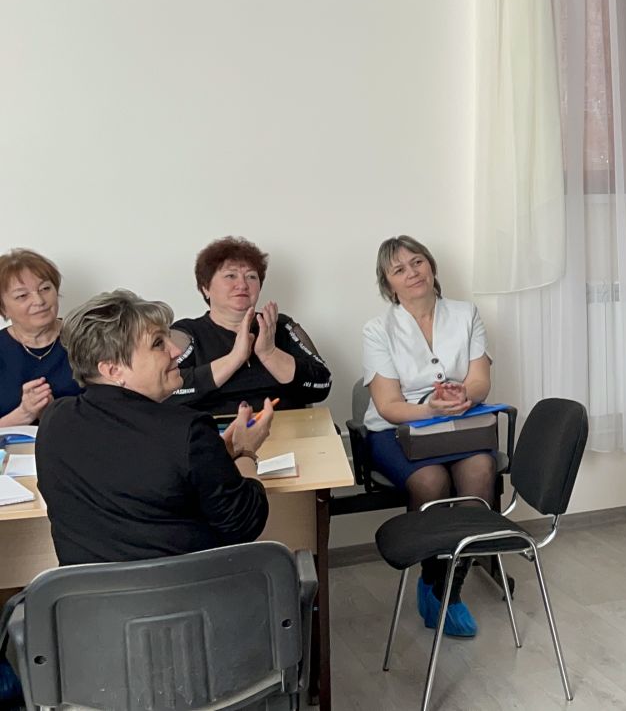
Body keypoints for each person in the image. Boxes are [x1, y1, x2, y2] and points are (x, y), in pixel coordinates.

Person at [36, 289, 275, 565]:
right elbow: (244, 525)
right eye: (158, 344)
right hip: (191, 590)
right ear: (113, 370)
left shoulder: (54, 420)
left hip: (87, 593)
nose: (176, 351)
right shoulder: (188, 431)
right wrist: (245, 452)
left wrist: (217, 456)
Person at [361, 235, 495, 639]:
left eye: (417, 262)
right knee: (431, 481)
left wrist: (464, 395)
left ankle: (449, 589)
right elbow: (388, 405)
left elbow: (480, 381)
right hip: (397, 430)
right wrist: (431, 410)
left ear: (431, 266)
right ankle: (431, 577)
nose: (412, 273)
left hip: (457, 424)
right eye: (399, 269)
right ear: (388, 284)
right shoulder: (378, 329)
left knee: (480, 469)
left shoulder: (466, 314)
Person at [169, 237, 332, 415]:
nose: (242, 285)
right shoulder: (186, 334)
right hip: (214, 431)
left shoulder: (280, 326)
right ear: (205, 288)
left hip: (285, 427)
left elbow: (322, 385)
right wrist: (234, 359)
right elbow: (163, 389)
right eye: (231, 276)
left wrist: (270, 354)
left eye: (251, 277)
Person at [0, 249, 83, 427]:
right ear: (3, 308)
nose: (39, 300)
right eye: (22, 295)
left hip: (80, 441)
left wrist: (54, 412)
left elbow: (112, 408)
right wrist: (24, 414)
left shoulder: (87, 338)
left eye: (45, 288)